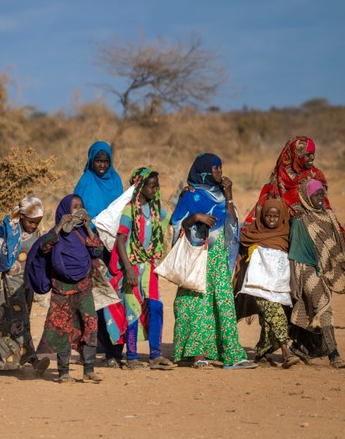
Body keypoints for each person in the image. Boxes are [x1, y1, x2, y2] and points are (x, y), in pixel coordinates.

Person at [170, 153, 256, 370]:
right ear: (205, 172)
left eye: (220, 167)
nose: (220, 172)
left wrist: (229, 195)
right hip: (197, 258)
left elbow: (232, 225)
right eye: (216, 168)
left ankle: (232, 354)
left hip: (218, 259)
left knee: (224, 305)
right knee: (197, 306)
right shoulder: (190, 196)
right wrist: (196, 218)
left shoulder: (221, 193)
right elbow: (177, 224)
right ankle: (198, 354)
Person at [27, 195, 103, 383]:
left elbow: (98, 250)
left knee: (90, 325)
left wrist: (87, 226)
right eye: (74, 207)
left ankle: (89, 369)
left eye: (81, 207)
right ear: (64, 210)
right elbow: (45, 247)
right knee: (63, 330)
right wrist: (60, 225)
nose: (78, 210)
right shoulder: (56, 234)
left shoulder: (84, 233)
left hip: (83, 288)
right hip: (62, 289)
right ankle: (63, 372)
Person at [111, 168, 175, 370]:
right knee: (133, 310)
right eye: (151, 186)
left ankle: (155, 355)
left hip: (149, 266)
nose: (155, 190)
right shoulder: (129, 210)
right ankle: (131, 357)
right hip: (132, 266)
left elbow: (172, 222)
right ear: (139, 187)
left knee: (155, 307)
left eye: (157, 186)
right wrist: (129, 269)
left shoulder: (156, 210)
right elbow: (121, 240)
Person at [288, 179, 345, 368]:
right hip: (305, 269)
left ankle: (300, 349)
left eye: (322, 194)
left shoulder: (328, 217)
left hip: (324, 270)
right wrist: (294, 282)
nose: (320, 198)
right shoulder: (300, 219)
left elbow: (334, 243)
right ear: (307, 197)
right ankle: (334, 354)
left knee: (312, 312)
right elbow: (294, 253)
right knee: (324, 306)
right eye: (316, 195)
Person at [73, 141, 126, 366]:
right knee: (92, 297)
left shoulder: (116, 182)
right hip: (88, 247)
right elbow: (76, 211)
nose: (102, 165)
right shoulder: (85, 182)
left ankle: (112, 346)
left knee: (112, 295)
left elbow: (123, 213)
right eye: (98, 161)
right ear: (91, 161)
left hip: (113, 248)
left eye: (105, 161)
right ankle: (92, 345)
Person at [0, 194, 50, 375]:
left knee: (16, 321)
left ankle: (9, 363)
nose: (33, 225)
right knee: (18, 319)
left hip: (27, 283)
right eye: (31, 222)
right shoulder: (10, 228)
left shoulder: (37, 232)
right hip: (11, 283)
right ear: (22, 216)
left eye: (37, 222)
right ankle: (32, 359)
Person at [233, 198, 300, 368]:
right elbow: (240, 249)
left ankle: (261, 354)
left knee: (269, 322)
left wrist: (293, 284)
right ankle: (286, 351)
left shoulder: (287, 235)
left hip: (279, 286)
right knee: (275, 312)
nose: (271, 219)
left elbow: (292, 261)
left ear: (282, 217)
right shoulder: (253, 233)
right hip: (258, 285)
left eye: (275, 216)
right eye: (268, 216)